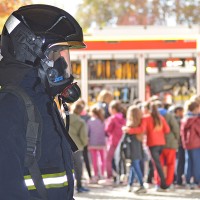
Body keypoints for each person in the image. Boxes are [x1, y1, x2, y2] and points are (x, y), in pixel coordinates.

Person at [0, 4, 85, 200]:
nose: (62, 64)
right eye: (56, 54)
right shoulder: (11, 107)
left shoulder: (44, 102)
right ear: (29, 52)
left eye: (64, 55)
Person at [122, 105, 146, 194]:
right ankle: (130, 184)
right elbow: (142, 129)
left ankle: (141, 184)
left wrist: (128, 130)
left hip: (132, 148)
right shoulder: (140, 122)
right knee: (133, 165)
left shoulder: (130, 126)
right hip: (138, 146)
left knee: (135, 165)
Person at [68, 102, 89, 193]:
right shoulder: (80, 122)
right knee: (78, 167)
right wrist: (83, 144)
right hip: (77, 147)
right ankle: (79, 186)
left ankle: (69, 187)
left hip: (66, 146)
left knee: (68, 167)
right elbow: (84, 136)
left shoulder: (65, 118)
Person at [105, 100, 126, 182]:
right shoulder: (123, 117)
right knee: (121, 159)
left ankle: (109, 177)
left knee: (108, 159)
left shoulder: (112, 118)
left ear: (113, 109)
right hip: (121, 141)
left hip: (113, 141)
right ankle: (121, 176)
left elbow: (107, 129)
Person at [87, 105, 106, 183]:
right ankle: (102, 173)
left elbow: (88, 132)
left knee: (94, 159)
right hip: (101, 142)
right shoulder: (103, 121)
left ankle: (95, 174)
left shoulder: (90, 121)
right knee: (102, 159)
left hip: (92, 142)